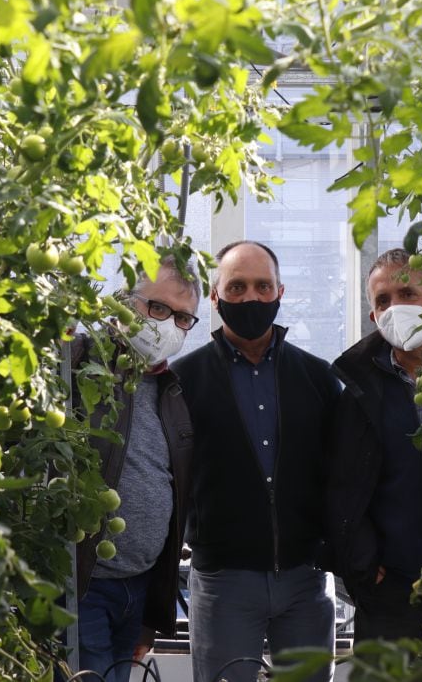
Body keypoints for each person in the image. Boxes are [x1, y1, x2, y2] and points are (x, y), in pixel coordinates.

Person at [172, 241, 341, 682]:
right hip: (223, 582)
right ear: (215, 295)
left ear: (280, 292)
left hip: (305, 580)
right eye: (238, 286)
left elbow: (342, 473)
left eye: (263, 286)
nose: (251, 298)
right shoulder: (182, 381)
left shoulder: (319, 377)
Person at [71, 257, 200, 682]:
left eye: (182, 318)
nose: (168, 326)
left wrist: (151, 614)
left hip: (138, 587)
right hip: (84, 585)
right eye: (158, 309)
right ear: (124, 301)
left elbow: (174, 495)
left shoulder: (172, 391)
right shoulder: (78, 364)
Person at [327, 248, 422, 642]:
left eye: (407, 295)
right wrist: (364, 565)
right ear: (373, 317)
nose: (395, 308)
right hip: (391, 590)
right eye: (383, 301)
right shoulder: (355, 388)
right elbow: (338, 484)